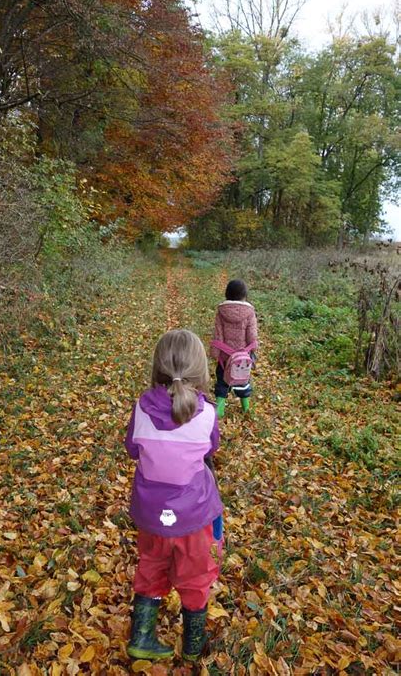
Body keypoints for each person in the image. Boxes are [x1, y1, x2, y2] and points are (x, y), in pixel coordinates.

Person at [125, 329, 223, 663]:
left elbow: (132, 450)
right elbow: (212, 448)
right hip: (194, 518)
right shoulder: (207, 412)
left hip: (152, 516)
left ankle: (141, 638)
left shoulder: (141, 407)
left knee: (151, 565)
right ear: (201, 371)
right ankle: (193, 646)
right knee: (195, 575)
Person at [210, 279, 258, 418]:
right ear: (244, 295)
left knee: (222, 381)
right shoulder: (249, 312)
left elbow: (218, 335)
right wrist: (253, 350)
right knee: (243, 380)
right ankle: (246, 408)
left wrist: (215, 354)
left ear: (227, 294)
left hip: (225, 357)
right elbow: (252, 335)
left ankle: (219, 410)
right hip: (242, 357)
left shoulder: (221, 311)